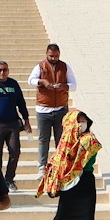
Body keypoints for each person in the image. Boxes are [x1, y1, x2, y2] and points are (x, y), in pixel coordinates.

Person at [38, 110, 103, 220]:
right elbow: (58, 161)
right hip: (69, 180)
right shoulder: (66, 142)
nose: (82, 124)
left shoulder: (89, 139)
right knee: (62, 211)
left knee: (88, 218)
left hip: (86, 179)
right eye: (79, 121)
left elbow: (91, 156)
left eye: (84, 121)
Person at [30, 44, 77, 173]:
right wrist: (42, 82)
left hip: (61, 109)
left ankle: (60, 164)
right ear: (46, 54)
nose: (54, 58)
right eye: (51, 56)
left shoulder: (65, 67)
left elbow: (73, 85)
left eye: (56, 56)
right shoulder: (40, 66)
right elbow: (31, 80)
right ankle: (42, 166)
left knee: (61, 139)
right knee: (43, 139)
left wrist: (64, 86)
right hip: (43, 109)